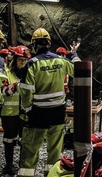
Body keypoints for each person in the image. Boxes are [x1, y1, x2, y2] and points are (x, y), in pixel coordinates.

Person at [18, 28, 80, 177]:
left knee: (30, 152)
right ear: (49, 43)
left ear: (34, 44)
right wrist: (74, 54)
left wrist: (26, 110)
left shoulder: (32, 64)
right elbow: (79, 70)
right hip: (58, 114)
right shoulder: (61, 61)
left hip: (37, 115)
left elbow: (26, 92)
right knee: (55, 152)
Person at [1, 45, 31, 175]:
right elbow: (4, 91)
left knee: (24, 141)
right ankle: (8, 165)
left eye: (25, 61)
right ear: (14, 60)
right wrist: (18, 85)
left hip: (23, 113)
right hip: (9, 114)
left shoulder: (28, 73)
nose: (23, 63)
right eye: (20, 60)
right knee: (9, 140)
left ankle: (22, 166)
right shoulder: (5, 73)